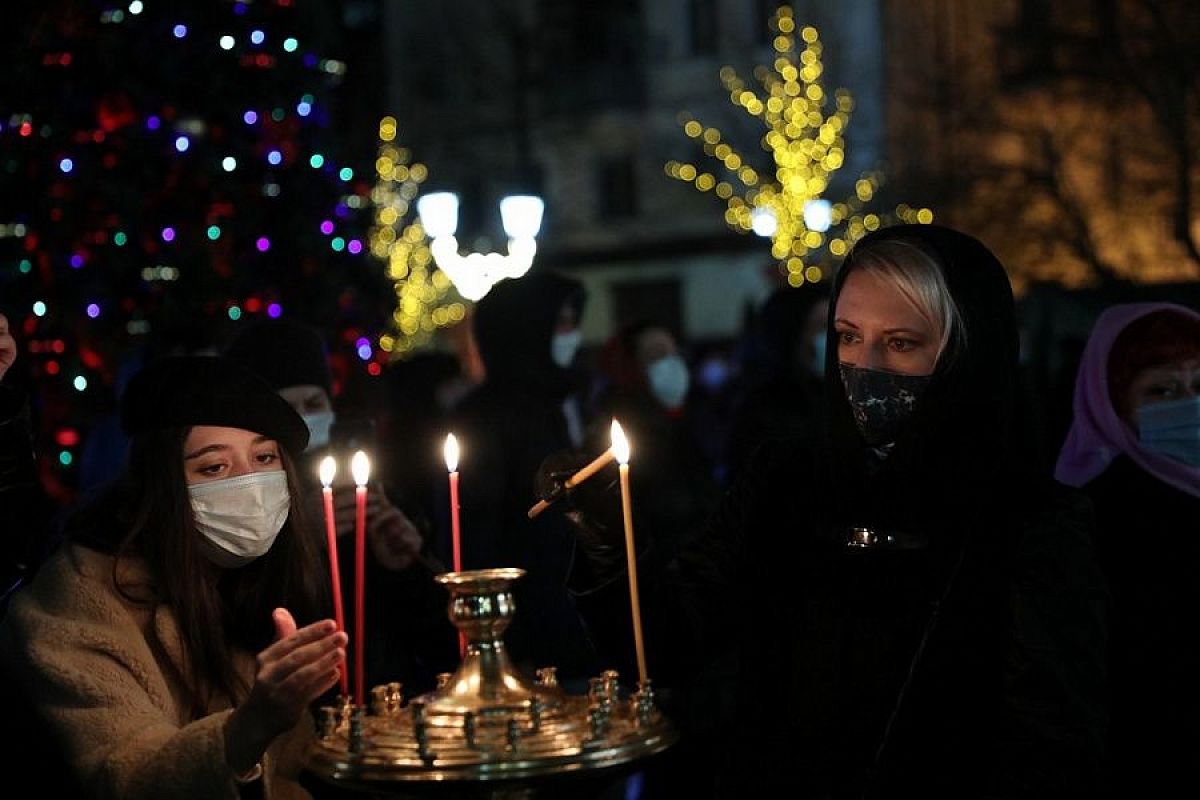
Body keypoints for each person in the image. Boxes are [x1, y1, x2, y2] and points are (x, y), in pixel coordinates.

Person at [559, 224, 1108, 798]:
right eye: (846, 337)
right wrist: (607, 545)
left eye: (900, 343)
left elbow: (1054, 745)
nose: (863, 365)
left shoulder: (1027, 516)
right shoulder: (787, 479)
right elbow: (670, 644)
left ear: (965, 353)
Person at [0, 355, 345, 799]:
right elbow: (123, 775)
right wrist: (248, 727)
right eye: (214, 467)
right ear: (162, 482)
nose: (251, 486)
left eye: (264, 457)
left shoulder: (268, 576)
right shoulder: (78, 597)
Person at [225, 317, 458, 696]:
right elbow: (247, 626)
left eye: (314, 403)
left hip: (388, 697)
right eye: (288, 406)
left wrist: (408, 564)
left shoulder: (374, 489)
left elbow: (438, 637)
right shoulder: (242, 506)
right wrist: (303, 538)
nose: (304, 417)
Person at [1054, 301, 1200, 798]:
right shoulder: (1088, 521)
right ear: (1112, 404)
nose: (1190, 405)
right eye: (1162, 391)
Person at [451, 271, 601, 686]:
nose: (571, 335)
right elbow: (481, 531)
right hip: (530, 629)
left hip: (579, 615)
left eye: (573, 322)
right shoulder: (486, 416)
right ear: (525, 330)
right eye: (560, 323)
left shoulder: (565, 398)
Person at [724, 282, 831, 485]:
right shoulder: (760, 412)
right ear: (791, 336)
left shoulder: (844, 396)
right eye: (822, 328)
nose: (833, 339)